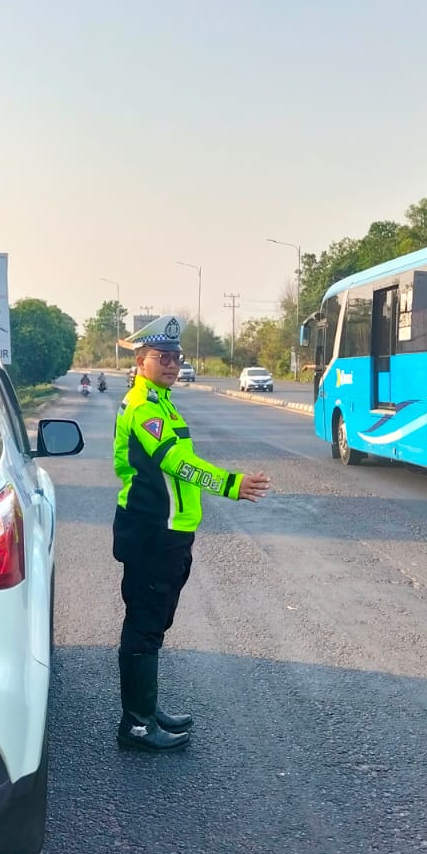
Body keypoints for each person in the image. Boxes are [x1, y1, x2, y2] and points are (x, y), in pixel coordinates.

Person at [111, 316, 270, 752]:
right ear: (141, 361)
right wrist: (232, 485)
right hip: (151, 531)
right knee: (144, 626)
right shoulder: (144, 407)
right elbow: (176, 462)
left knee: (153, 625)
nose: (172, 364)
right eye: (162, 357)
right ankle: (137, 725)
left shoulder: (160, 401)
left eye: (176, 357)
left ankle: (145, 708)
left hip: (168, 531)